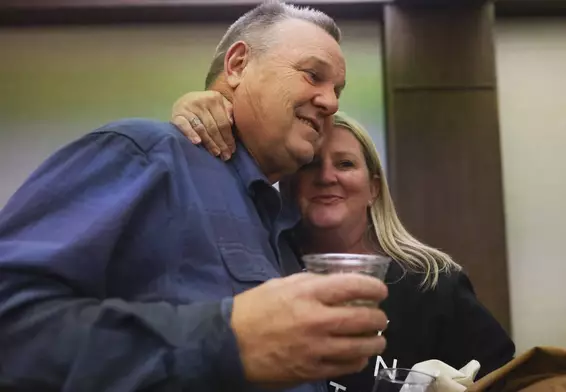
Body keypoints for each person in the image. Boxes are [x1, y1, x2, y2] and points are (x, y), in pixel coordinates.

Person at [0, 2, 390, 391]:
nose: (331, 102)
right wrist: (225, 340)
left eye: (336, 90)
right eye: (312, 75)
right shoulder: (149, 155)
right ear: (237, 65)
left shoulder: (281, 221)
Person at [171, 95, 517, 391]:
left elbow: (511, 379)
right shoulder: (262, 269)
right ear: (288, 185)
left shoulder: (432, 283)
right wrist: (197, 112)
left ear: (374, 188)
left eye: (345, 164)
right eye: (309, 165)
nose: (326, 177)